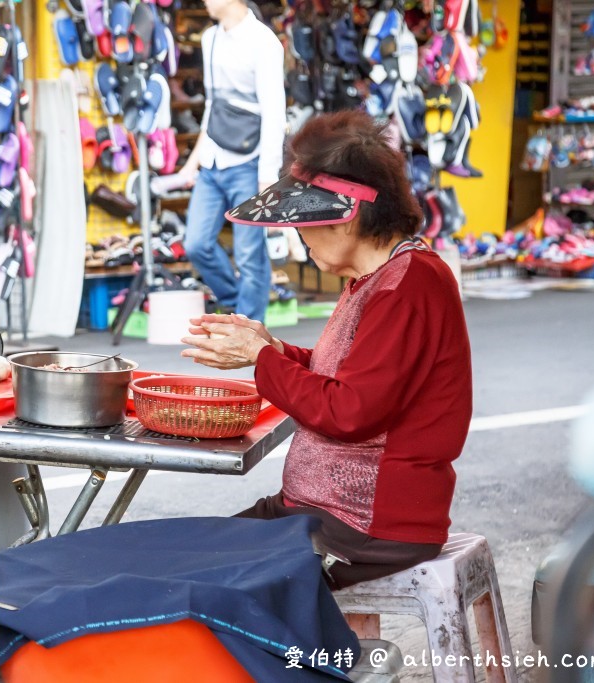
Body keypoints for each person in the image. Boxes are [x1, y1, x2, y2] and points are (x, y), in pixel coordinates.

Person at [181, 110, 473, 590]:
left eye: (304, 223)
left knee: (202, 580)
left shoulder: (408, 285)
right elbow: (344, 378)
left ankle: (320, 664)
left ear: (347, 216)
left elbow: (348, 411)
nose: (298, 234)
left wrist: (261, 358)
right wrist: (270, 347)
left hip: (366, 528)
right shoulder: (377, 278)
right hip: (323, 512)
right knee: (182, 555)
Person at [178, 0, 285, 322]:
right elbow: (213, 106)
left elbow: (274, 110)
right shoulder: (210, 38)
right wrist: (193, 161)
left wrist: (268, 173)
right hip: (213, 159)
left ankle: (249, 327)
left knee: (250, 254)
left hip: (249, 162)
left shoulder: (263, 41)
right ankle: (236, 307)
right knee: (195, 243)